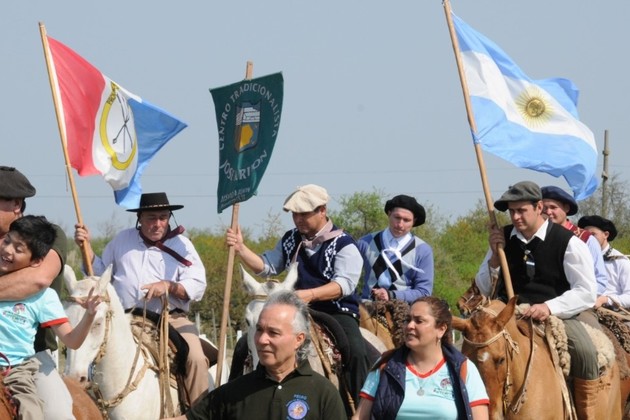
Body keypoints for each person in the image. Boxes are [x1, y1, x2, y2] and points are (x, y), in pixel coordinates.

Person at [475, 181, 610, 419]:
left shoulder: (568, 241)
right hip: (507, 312)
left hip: (557, 313)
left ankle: (587, 412)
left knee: (585, 350)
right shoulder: (501, 238)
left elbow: (586, 291)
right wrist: (495, 257)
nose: (515, 217)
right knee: (474, 345)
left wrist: (549, 306)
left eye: (521, 210)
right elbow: (484, 287)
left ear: (539, 207)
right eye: (511, 211)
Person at [225, 184, 369, 408]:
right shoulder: (291, 238)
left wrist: (309, 294)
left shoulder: (344, 243)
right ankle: (229, 404)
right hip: (293, 311)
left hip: (335, 311)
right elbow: (267, 266)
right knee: (245, 345)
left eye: (304, 214)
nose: (298, 219)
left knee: (356, 351)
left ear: (322, 210)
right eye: (295, 214)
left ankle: (360, 408)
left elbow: (344, 285)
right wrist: (241, 248)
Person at [74, 192, 209, 406]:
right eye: (151, 218)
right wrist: (86, 247)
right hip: (124, 319)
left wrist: (168, 286)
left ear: (170, 217)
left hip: (170, 319)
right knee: (88, 354)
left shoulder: (182, 245)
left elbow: (198, 284)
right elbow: (99, 273)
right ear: (140, 218)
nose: (158, 224)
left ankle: (199, 412)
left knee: (196, 359)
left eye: (163, 217)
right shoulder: (121, 240)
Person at [166, 291, 347, 419]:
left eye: (273, 333)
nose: (261, 340)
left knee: (356, 351)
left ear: (298, 339)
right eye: (259, 330)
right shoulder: (232, 392)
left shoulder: (323, 393)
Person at [0, 215, 102, 419]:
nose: (8, 250)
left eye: (18, 249)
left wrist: (89, 316)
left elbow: (72, 341)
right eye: (7, 241)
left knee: (31, 413)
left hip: (15, 371)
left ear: (36, 261)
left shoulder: (44, 297)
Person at [0, 166, 74, 420]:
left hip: (32, 357)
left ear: (16, 204)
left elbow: (37, 279)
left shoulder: (48, 235)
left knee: (58, 414)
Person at [353, 296, 489, 419]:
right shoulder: (385, 364)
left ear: (441, 329)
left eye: (419, 321)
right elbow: (360, 417)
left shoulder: (464, 369)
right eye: (408, 320)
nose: (409, 326)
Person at [357, 194, 434, 303]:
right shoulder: (365, 242)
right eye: (397, 218)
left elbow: (424, 292)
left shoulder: (423, 250)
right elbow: (348, 278)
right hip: (366, 306)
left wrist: (392, 295)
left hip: (404, 309)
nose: (400, 224)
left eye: (406, 220)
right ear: (389, 214)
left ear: (414, 221)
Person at [541, 185, 608, 295]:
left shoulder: (586, 239)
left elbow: (600, 280)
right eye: (544, 208)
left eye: (553, 207)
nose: (548, 212)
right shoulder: (537, 237)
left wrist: (580, 298)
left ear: (566, 208)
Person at [578, 215, 630, 309]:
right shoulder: (579, 257)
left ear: (606, 235)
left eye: (593, 234)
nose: (589, 239)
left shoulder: (621, 261)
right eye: (585, 235)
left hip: (613, 312)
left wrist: (605, 300)